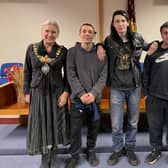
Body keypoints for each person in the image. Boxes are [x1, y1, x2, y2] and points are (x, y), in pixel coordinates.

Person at [100, 10, 158, 166]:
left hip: (134, 87)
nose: (120, 24)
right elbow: (100, 48)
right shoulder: (109, 40)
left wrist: (155, 45)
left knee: (133, 122)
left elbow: (149, 47)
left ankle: (130, 149)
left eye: (122, 21)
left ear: (127, 23)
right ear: (113, 24)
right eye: (116, 21)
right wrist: (99, 46)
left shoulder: (137, 38)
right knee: (116, 124)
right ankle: (118, 149)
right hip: (116, 88)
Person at [23, 20, 70, 168]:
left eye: (53, 32)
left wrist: (66, 93)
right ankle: (44, 155)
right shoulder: (32, 48)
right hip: (37, 91)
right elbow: (27, 71)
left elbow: (68, 75)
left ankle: (54, 154)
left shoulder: (63, 51)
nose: (50, 34)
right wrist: (26, 91)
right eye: (47, 31)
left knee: (56, 123)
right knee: (40, 122)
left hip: (57, 91)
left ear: (58, 34)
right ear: (42, 32)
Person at [65, 23, 107, 168]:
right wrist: (82, 93)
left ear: (94, 34)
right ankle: (74, 155)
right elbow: (70, 75)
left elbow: (103, 76)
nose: (87, 34)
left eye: (90, 31)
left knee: (93, 127)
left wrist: (94, 93)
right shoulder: (72, 52)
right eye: (84, 31)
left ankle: (91, 150)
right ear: (79, 34)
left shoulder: (100, 53)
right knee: (75, 129)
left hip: (94, 99)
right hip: (78, 99)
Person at [143, 21, 168, 165]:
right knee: (155, 127)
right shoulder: (153, 52)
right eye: (165, 33)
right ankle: (156, 150)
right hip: (154, 97)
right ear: (161, 34)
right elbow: (145, 73)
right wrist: (146, 93)